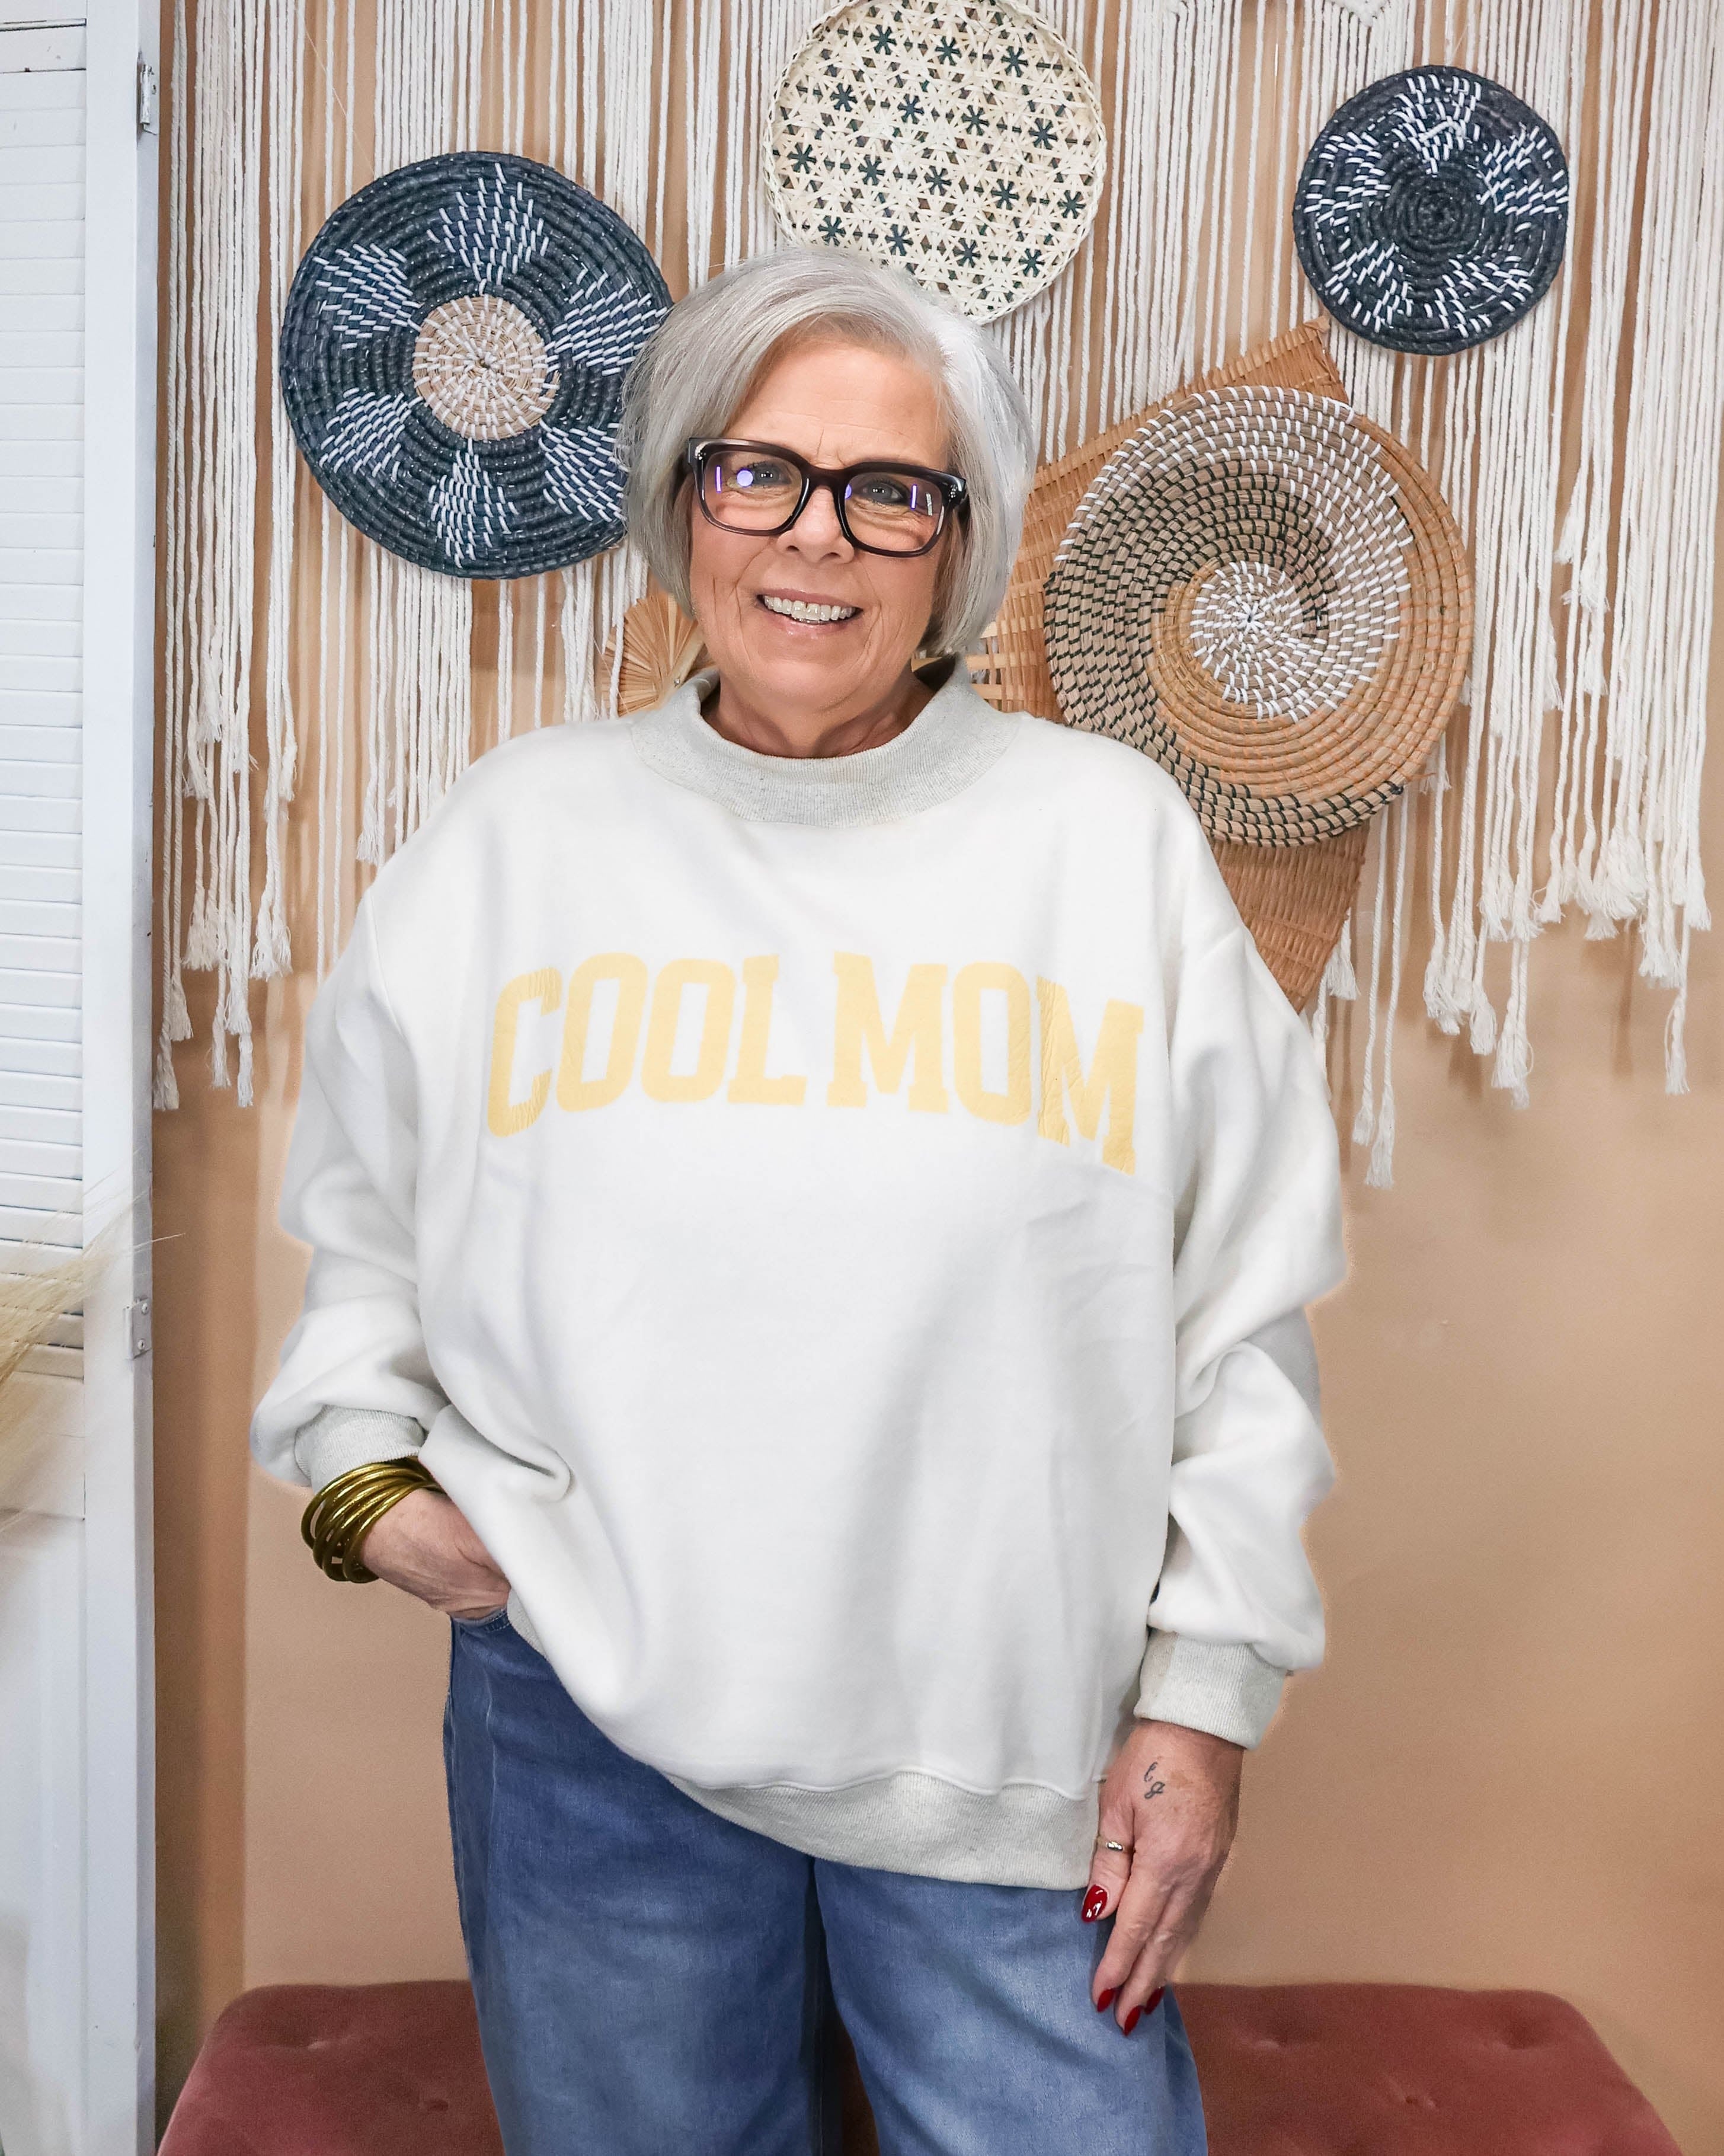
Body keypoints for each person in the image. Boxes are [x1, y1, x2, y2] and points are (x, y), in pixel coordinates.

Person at [253, 247, 1344, 2156]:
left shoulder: (1107, 848)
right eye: (758, 472)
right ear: (685, 501)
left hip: (1014, 1746)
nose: (815, 538)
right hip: (589, 1731)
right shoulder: (519, 837)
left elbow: (1241, 1317)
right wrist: (361, 1475)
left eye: (887, 491)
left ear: (956, 544)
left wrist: (1205, 1696)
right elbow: (363, 1212)